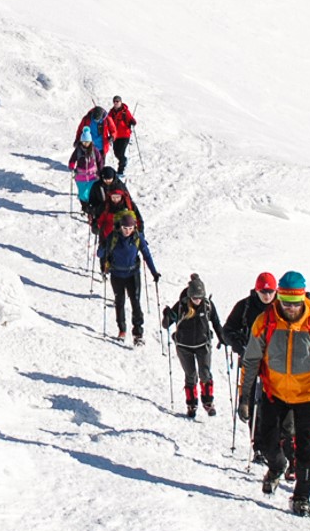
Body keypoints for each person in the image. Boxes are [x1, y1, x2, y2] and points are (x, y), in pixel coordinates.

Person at [238, 270, 310, 517]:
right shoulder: (266, 321)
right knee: (266, 442)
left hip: (308, 395)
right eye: (286, 303)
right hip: (275, 393)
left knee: (306, 449)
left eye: (296, 304)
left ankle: (302, 496)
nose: (291, 309)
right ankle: (277, 465)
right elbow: (251, 360)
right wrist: (244, 397)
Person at [221, 271, 279, 456]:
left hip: (275, 364)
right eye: (264, 292)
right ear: (257, 290)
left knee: (273, 404)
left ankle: (275, 445)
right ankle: (258, 447)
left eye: (270, 292)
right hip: (251, 362)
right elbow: (227, 330)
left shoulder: (281, 306)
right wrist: (240, 346)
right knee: (253, 402)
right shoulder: (245, 306)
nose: (267, 296)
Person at [161, 274, 222, 417]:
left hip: (203, 345)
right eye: (195, 298)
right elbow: (166, 325)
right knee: (190, 375)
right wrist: (167, 316)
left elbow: (216, 323)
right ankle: (191, 405)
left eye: (200, 297)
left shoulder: (207, 306)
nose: (197, 300)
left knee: (205, 374)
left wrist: (222, 338)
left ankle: (208, 403)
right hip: (184, 346)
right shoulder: (182, 306)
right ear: (189, 296)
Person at [96, 211, 160, 345]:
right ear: (121, 226)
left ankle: (138, 334)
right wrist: (103, 246)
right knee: (119, 302)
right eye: (125, 228)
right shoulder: (113, 237)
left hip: (133, 274)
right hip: (117, 274)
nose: (128, 231)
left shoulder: (137, 237)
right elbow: (100, 253)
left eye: (130, 228)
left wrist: (154, 272)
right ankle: (122, 330)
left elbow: (146, 255)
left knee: (135, 302)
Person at [89, 168, 141, 238]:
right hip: (102, 211)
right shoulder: (96, 186)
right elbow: (92, 201)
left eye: (109, 179)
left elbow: (128, 199)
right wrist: (93, 211)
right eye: (105, 179)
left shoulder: (119, 185)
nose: (108, 181)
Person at [68, 135, 105, 214]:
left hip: (92, 176)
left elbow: (99, 160)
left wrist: (100, 170)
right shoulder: (78, 150)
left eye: (87, 142)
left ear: (91, 141)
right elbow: (72, 159)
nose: (86, 143)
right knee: (82, 194)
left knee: (91, 193)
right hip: (81, 177)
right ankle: (84, 207)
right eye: (84, 142)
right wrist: (71, 166)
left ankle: (91, 208)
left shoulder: (94, 150)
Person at [104, 95, 138, 171]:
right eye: (114, 101)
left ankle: (121, 170)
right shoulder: (111, 112)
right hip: (115, 136)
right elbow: (107, 121)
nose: (116, 103)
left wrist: (133, 122)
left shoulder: (125, 111)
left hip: (125, 135)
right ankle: (124, 160)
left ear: (121, 102)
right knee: (116, 153)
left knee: (121, 152)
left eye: (117, 101)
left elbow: (132, 120)